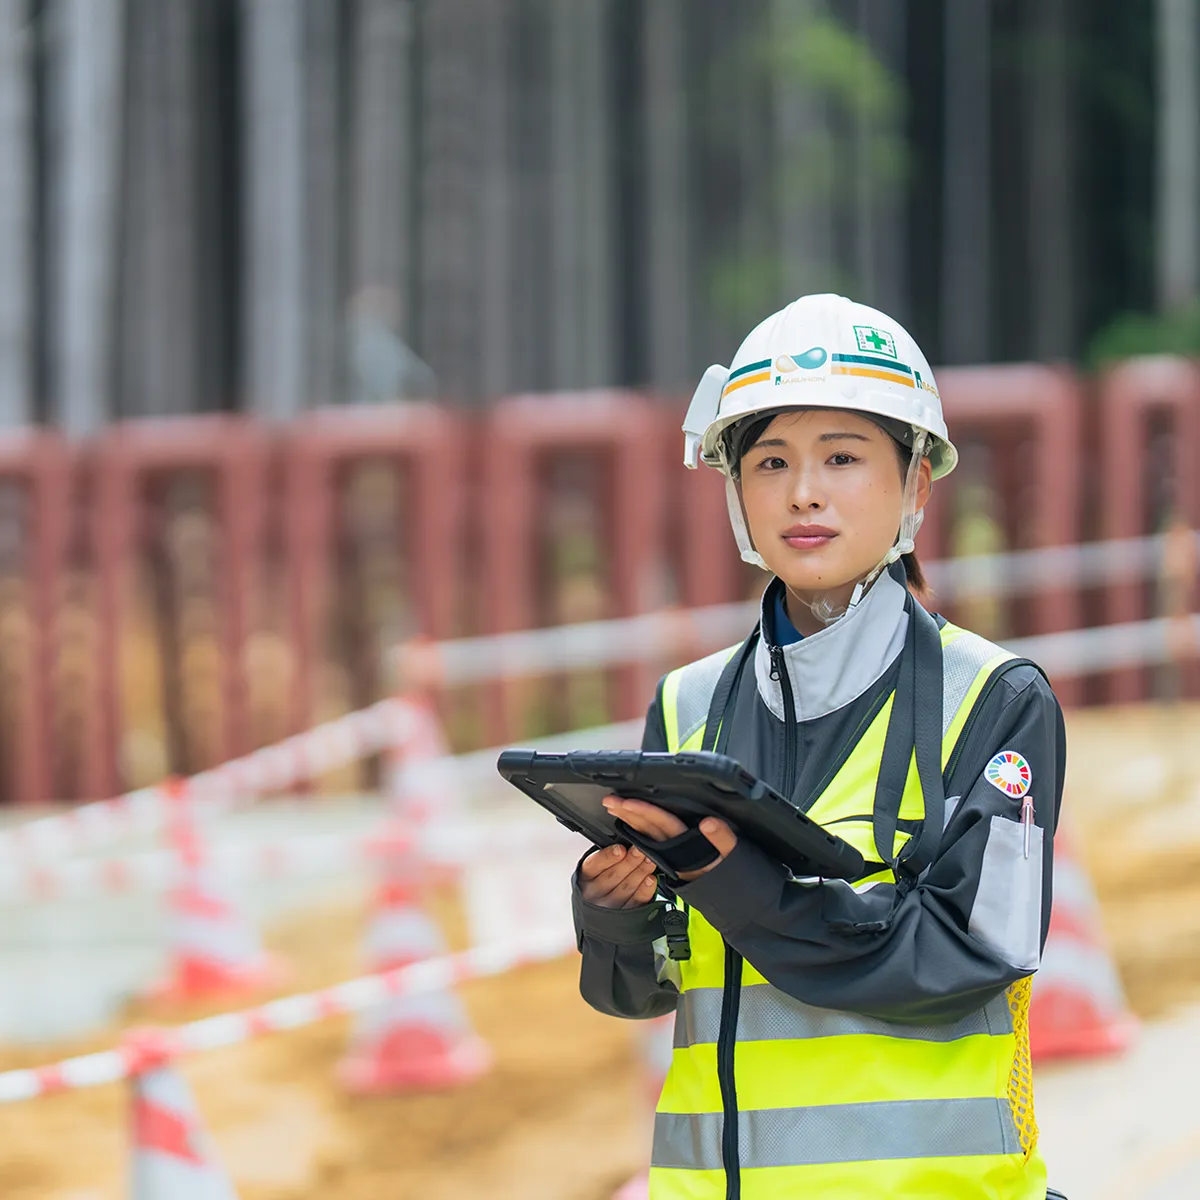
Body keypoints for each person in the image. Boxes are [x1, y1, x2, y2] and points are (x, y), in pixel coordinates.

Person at [572, 294, 1066, 1200]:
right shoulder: (685, 708)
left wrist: (738, 883)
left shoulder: (992, 701)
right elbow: (644, 992)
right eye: (771, 462)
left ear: (917, 484)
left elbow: (963, 960)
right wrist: (616, 915)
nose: (804, 491)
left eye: (843, 456)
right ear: (736, 492)